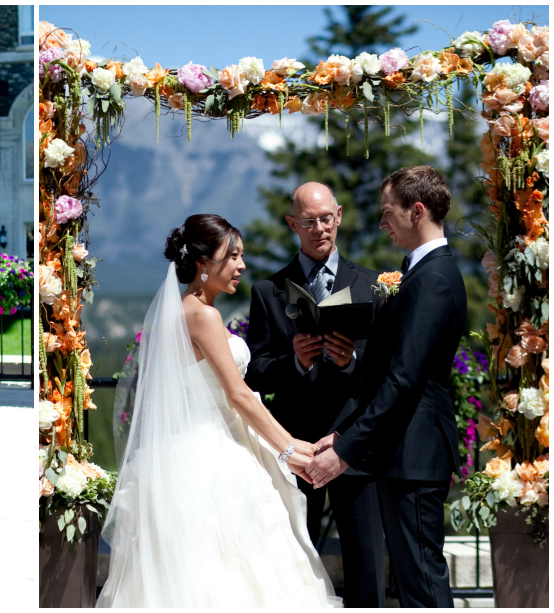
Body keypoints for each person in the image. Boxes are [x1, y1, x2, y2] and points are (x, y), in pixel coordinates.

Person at [98, 214, 340, 607]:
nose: (241, 266)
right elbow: (240, 396)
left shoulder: (179, 311)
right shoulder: (204, 315)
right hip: (215, 457)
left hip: (182, 454)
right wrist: (290, 448)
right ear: (203, 263)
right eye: (233, 256)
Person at [307, 165, 466, 608]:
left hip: (415, 456)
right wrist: (342, 434)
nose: (381, 223)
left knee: (421, 583)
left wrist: (344, 451)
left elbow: (404, 379)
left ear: (416, 211)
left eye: (387, 212)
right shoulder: (419, 272)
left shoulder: (432, 279)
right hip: (402, 453)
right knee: (411, 581)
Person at [244, 182, 386, 606]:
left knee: (367, 564)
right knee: (288, 562)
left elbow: (385, 374)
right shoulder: (269, 292)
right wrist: (297, 362)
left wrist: (351, 362)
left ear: (339, 215)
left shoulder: (373, 286)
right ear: (293, 224)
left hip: (353, 443)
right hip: (296, 448)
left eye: (326, 218)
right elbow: (257, 373)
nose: (320, 228)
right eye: (309, 221)